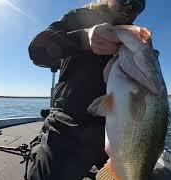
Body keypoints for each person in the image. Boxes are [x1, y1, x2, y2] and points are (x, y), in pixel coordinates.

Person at [27, 0, 146, 179]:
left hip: (111, 128)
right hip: (68, 121)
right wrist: (84, 38)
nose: (130, 8)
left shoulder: (134, 37)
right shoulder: (78, 16)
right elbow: (37, 50)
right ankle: (39, 147)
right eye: (125, 0)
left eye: (137, 6)